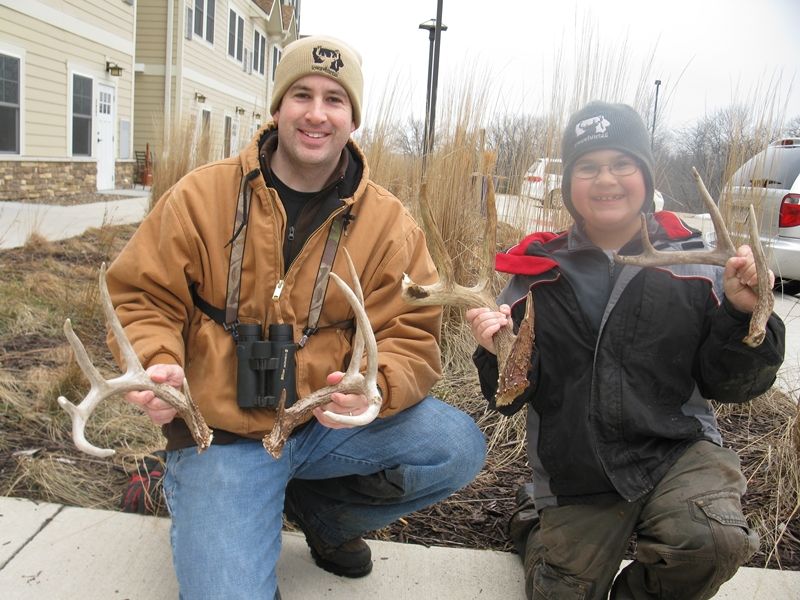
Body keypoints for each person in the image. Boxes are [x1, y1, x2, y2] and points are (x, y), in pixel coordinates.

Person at [106, 35, 486, 599]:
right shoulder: (200, 197)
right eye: (301, 94)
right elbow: (141, 297)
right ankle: (215, 495)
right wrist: (158, 365)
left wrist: (374, 390)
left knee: (454, 445)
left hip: (322, 426)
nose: (316, 113)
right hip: (220, 436)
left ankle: (325, 517)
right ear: (278, 107)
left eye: (335, 99)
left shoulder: (387, 223)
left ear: (353, 118)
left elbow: (409, 332)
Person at [467, 100, 785, 600]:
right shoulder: (535, 276)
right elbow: (510, 397)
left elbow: (733, 384)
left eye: (622, 164)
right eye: (588, 167)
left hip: (675, 449)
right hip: (579, 465)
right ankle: (533, 523)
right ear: (569, 184)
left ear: (645, 176)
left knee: (713, 540)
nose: (606, 179)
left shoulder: (697, 266)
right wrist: (496, 352)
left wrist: (745, 316)